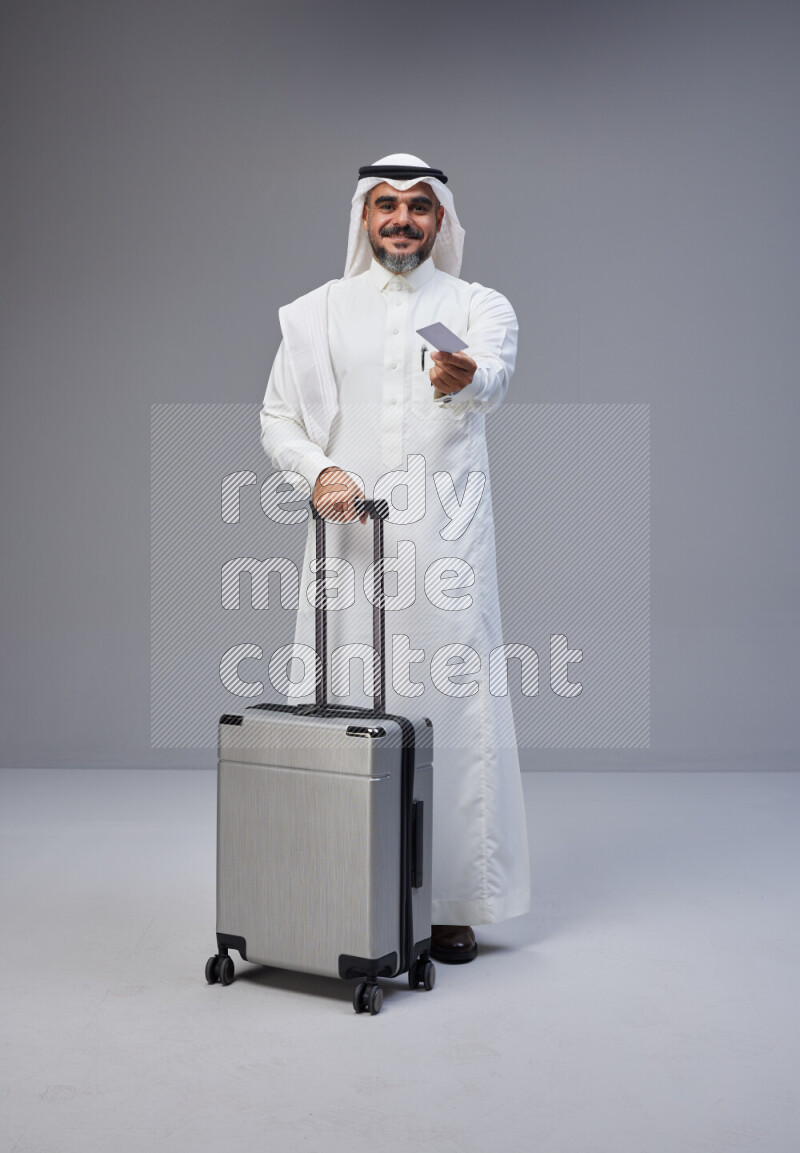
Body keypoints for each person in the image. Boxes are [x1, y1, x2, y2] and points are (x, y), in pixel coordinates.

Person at [259, 153, 530, 963]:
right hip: (347, 542)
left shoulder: (476, 305)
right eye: (387, 204)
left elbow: (494, 377)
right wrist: (320, 472)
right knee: (339, 702)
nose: (402, 219)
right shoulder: (317, 313)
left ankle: (447, 902)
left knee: (452, 708)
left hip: (445, 544)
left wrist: (464, 375)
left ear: (440, 219)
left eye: (418, 205)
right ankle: (341, 885)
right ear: (364, 217)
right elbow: (277, 417)